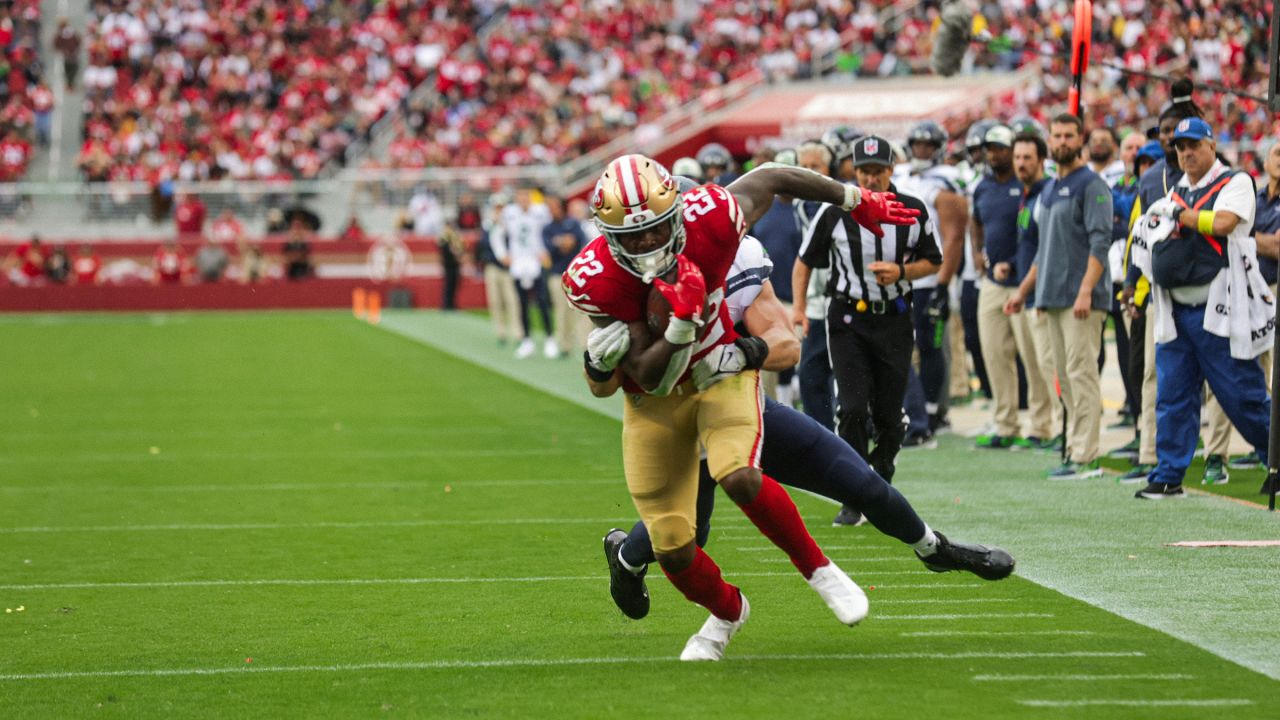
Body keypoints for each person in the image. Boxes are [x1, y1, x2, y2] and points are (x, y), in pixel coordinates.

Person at [563, 154, 917, 661]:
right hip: (656, 399)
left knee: (739, 472)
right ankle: (728, 612)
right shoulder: (595, 277)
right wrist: (675, 327)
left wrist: (854, 200)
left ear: (679, 212)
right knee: (674, 545)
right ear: (606, 234)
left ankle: (822, 571)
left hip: (720, 374)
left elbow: (772, 175)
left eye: (654, 230)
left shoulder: (712, 217)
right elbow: (645, 375)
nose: (644, 244)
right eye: (630, 236)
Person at [602, 232, 1014, 620]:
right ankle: (627, 559)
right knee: (692, 534)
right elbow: (609, 382)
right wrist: (598, 364)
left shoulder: (734, 255)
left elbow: (786, 345)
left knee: (862, 482)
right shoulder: (622, 279)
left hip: (738, 407)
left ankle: (933, 548)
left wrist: (747, 351)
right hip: (676, 422)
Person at [793, 134, 941, 524]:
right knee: (853, 408)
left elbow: (935, 261)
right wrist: (798, 309)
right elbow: (804, 261)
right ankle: (855, 493)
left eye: (878, 171)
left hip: (894, 317)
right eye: (864, 172)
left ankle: (882, 470)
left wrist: (902, 272)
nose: (871, 179)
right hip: (847, 318)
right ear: (853, 172)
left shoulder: (912, 209)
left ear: (892, 171)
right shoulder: (836, 211)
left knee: (890, 415)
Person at [1131, 117, 1272, 499]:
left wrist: (1181, 216)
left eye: (1194, 144)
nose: (1187, 152)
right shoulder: (1175, 189)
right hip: (1175, 311)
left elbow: (1226, 222)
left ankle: (1275, 460)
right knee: (1172, 395)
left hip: (1219, 311)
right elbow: (1144, 240)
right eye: (1180, 147)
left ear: (1212, 145)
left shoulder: (1235, 182)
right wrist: (1136, 287)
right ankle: (1168, 473)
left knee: (1242, 395)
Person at [1005, 113, 1113, 479]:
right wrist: (1022, 292)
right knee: (1063, 378)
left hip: (1080, 300)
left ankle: (1086, 456)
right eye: (1057, 135)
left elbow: (1101, 242)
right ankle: (1073, 448)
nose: (1063, 141)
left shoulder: (1093, 185)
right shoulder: (1049, 189)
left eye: (1069, 135)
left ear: (1080, 139)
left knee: (1082, 374)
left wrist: (1086, 291)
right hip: (1050, 296)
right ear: (1049, 140)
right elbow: (1043, 251)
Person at [973, 125, 1053, 448]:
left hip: (1025, 281)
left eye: (1001, 149)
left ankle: (1042, 425)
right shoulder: (983, 187)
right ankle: (1006, 423)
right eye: (990, 149)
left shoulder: (1030, 189)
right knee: (994, 353)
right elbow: (975, 222)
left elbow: (1034, 237)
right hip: (993, 281)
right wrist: (978, 255)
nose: (995, 154)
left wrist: (1016, 266)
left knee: (1032, 356)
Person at [896, 120, 969, 442]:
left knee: (931, 346)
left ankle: (930, 410)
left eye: (928, 145)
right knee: (900, 348)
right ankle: (910, 410)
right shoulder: (897, 176)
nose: (922, 150)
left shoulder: (946, 181)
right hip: (900, 278)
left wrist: (942, 285)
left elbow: (953, 238)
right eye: (918, 144)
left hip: (929, 280)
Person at [792, 141, 838, 432]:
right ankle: (817, 431)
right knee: (810, 370)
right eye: (804, 166)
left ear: (827, 169)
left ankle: (845, 429)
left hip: (838, 297)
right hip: (814, 301)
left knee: (841, 372)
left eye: (815, 167)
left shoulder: (836, 200)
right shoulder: (799, 203)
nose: (809, 172)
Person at [495, 187, 556, 359]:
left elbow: (549, 231)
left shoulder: (540, 212)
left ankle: (550, 338)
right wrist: (503, 254)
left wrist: (546, 250)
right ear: (516, 198)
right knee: (522, 303)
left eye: (526, 196)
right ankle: (527, 340)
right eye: (520, 197)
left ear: (530, 198)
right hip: (518, 260)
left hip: (536, 259)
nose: (523, 200)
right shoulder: (509, 213)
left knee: (543, 301)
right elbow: (497, 233)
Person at [542, 195, 588, 355]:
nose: (551, 210)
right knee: (561, 310)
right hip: (557, 274)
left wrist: (562, 242)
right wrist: (564, 242)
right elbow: (550, 248)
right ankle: (564, 345)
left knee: (582, 310)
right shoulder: (547, 228)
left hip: (575, 272)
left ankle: (585, 345)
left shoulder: (573, 223)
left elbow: (580, 242)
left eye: (553, 206)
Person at [478, 198, 521, 347]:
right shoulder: (487, 225)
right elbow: (483, 245)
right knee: (495, 301)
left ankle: (517, 331)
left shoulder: (510, 224)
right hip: (493, 267)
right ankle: (500, 332)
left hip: (508, 267)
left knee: (512, 300)